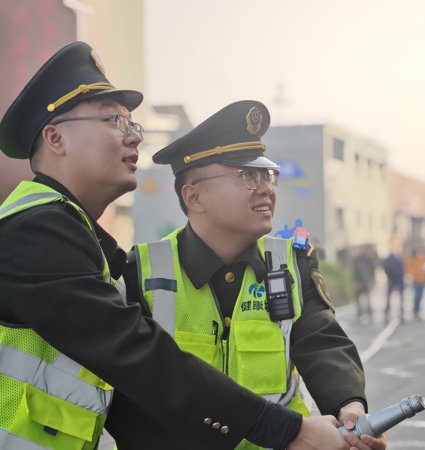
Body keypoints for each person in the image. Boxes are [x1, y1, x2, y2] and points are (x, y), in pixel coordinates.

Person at [0, 42, 365, 450]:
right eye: (115, 121)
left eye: (133, 125)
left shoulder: (78, 237)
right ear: (55, 137)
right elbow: (136, 356)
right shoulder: (38, 232)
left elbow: (320, 338)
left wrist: (348, 404)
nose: (133, 137)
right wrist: (287, 430)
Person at [125, 100, 386, 450]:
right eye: (247, 175)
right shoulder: (140, 272)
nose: (265, 188)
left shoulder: (292, 263)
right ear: (194, 196)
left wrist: (350, 406)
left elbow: (321, 342)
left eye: (267, 175)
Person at [352, 243, 378, 322]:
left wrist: (372, 281)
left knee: (368, 298)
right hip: (359, 281)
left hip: (367, 281)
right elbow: (354, 271)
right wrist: (355, 282)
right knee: (358, 299)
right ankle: (359, 314)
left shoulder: (370, 259)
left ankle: (370, 313)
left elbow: (373, 270)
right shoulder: (357, 259)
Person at [404, 241, 425, 321]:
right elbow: (409, 268)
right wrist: (414, 275)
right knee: (417, 296)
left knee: (420, 296)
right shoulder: (411, 257)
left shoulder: (424, 256)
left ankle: (417, 311)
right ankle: (415, 311)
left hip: (422, 280)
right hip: (416, 280)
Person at [381, 248, 405, 323]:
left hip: (394, 280)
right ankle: (399, 312)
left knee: (393, 298)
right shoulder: (397, 260)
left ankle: (390, 312)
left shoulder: (391, 261)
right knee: (394, 298)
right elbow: (398, 272)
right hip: (395, 280)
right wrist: (396, 282)